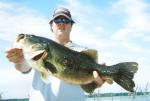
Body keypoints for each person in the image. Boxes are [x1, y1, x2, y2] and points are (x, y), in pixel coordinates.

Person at [5, 7, 112, 101]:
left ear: (71, 25)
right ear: (51, 25)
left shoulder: (82, 51)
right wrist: (18, 60)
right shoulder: (35, 53)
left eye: (66, 20)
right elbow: (23, 67)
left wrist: (97, 81)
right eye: (57, 19)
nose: (61, 22)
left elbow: (89, 83)